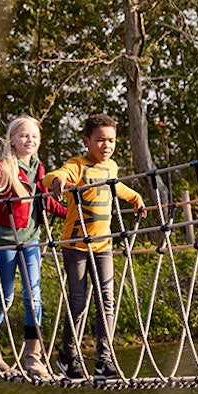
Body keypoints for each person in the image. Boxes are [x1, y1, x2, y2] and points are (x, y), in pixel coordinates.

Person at [46, 113, 145, 380]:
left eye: (111, 140)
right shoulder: (77, 166)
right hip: (76, 244)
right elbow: (55, 176)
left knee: (107, 301)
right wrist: (58, 181)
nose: (106, 145)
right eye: (100, 140)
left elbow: (115, 187)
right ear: (86, 141)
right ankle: (68, 355)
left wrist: (135, 197)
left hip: (103, 245)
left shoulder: (111, 167)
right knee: (78, 302)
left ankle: (104, 358)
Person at [0, 115, 67, 378]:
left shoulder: (39, 168)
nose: (30, 140)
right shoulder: (4, 166)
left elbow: (46, 201)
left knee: (33, 295)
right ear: (12, 140)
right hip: (5, 241)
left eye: (34, 137)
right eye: (24, 135)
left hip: (31, 240)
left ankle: (33, 357)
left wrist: (71, 214)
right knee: (7, 295)